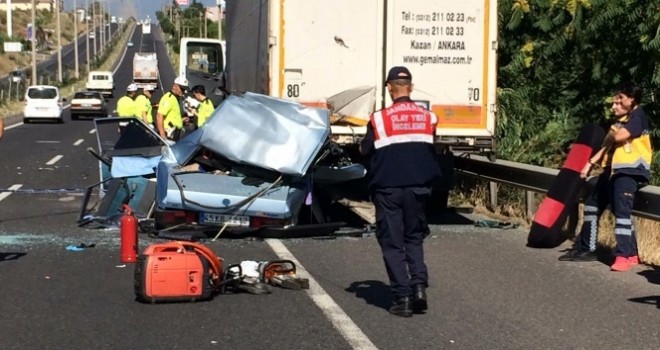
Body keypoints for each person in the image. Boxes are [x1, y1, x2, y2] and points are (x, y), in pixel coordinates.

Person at [359, 66, 441, 317]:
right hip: (419, 188)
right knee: (414, 237)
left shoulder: (379, 118)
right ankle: (418, 289)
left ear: (389, 88)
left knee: (393, 242)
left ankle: (402, 297)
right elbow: (429, 146)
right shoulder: (429, 117)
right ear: (411, 88)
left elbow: (366, 150)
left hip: (389, 189)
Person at [558, 83, 653, 272]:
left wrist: (613, 133)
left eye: (619, 101)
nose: (614, 106)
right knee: (592, 205)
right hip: (611, 171)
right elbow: (606, 145)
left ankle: (625, 255)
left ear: (631, 99)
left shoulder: (637, 117)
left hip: (629, 172)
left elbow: (618, 137)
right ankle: (587, 247)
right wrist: (590, 163)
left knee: (622, 213)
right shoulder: (622, 120)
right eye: (614, 102)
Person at [156, 76, 188, 141]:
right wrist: (163, 136)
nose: (183, 91)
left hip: (176, 132)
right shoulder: (168, 98)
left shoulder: (176, 98)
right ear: (174, 86)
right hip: (169, 134)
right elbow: (159, 116)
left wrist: (181, 120)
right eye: (181, 88)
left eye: (184, 89)